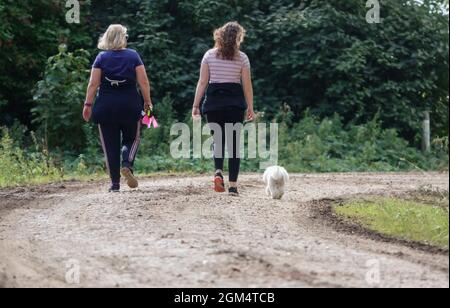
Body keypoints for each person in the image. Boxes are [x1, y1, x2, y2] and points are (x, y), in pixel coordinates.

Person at [82, 24, 153, 192]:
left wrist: (87, 105)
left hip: (106, 107)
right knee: (132, 139)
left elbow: (93, 84)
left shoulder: (101, 58)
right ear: (123, 38)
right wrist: (147, 101)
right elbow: (143, 82)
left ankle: (114, 184)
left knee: (110, 145)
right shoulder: (133, 56)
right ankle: (127, 163)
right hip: (130, 105)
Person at [192, 21, 255, 196]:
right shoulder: (242, 58)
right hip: (234, 104)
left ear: (220, 35)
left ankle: (218, 171)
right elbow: (247, 85)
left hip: (213, 104)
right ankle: (233, 186)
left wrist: (196, 105)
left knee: (218, 140)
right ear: (237, 39)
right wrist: (250, 107)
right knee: (234, 145)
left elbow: (203, 82)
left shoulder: (209, 55)